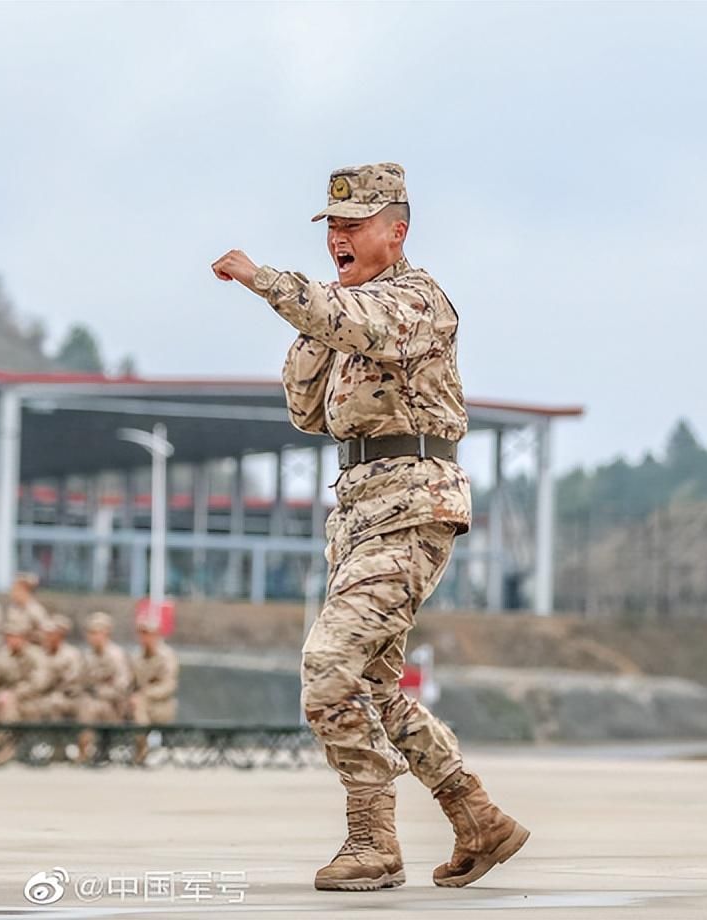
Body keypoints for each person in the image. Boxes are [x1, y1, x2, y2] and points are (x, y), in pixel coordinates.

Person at [212, 162, 528, 892]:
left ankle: (372, 837)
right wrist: (313, 321)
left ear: (397, 232)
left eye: (354, 227)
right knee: (372, 686)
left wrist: (271, 284)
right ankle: (474, 814)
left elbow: (353, 323)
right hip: (359, 513)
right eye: (333, 228)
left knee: (327, 669)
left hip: (413, 505)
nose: (340, 240)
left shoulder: (417, 302)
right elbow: (306, 409)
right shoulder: (341, 308)